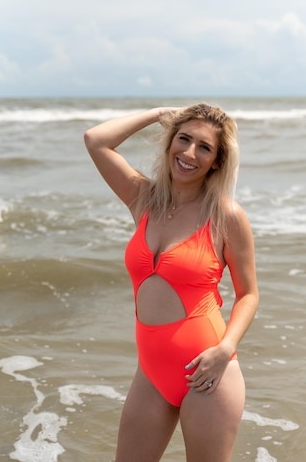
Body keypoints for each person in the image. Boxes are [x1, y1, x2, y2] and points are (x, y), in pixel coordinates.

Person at [84, 102, 259, 462]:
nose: (189, 153)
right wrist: (159, 112)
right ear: (169, 143)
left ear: (217, 162)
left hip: (208, 373)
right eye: (184, 139)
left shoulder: (225, 215)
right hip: (150, 373)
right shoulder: (143, 200)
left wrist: (225, 350)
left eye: (204, 147)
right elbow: (96, 140)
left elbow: (249, 294)